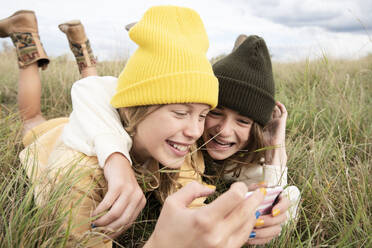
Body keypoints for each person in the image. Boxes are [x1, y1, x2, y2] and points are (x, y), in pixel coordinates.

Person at [0, 6, 268, 247]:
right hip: (50, 138)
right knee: (32, 120)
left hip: (109, 125)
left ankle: (82, 47)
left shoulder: (177, 148)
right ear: (131, 108)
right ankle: (25, 37)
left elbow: (196, 209)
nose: (196, 132)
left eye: (201, 116)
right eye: (180, 113)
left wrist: (239, 222)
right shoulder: (77, 177)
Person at [61, 21, 301, 244]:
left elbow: (274, 194)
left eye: (243, 121)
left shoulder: (219, 154)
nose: (224, 131)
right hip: (73, 133)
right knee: (38, 120)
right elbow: (91, 92)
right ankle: (87, 55)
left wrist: (274, 152)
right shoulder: (177, 137)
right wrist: (117, 160)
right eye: (215, 113)